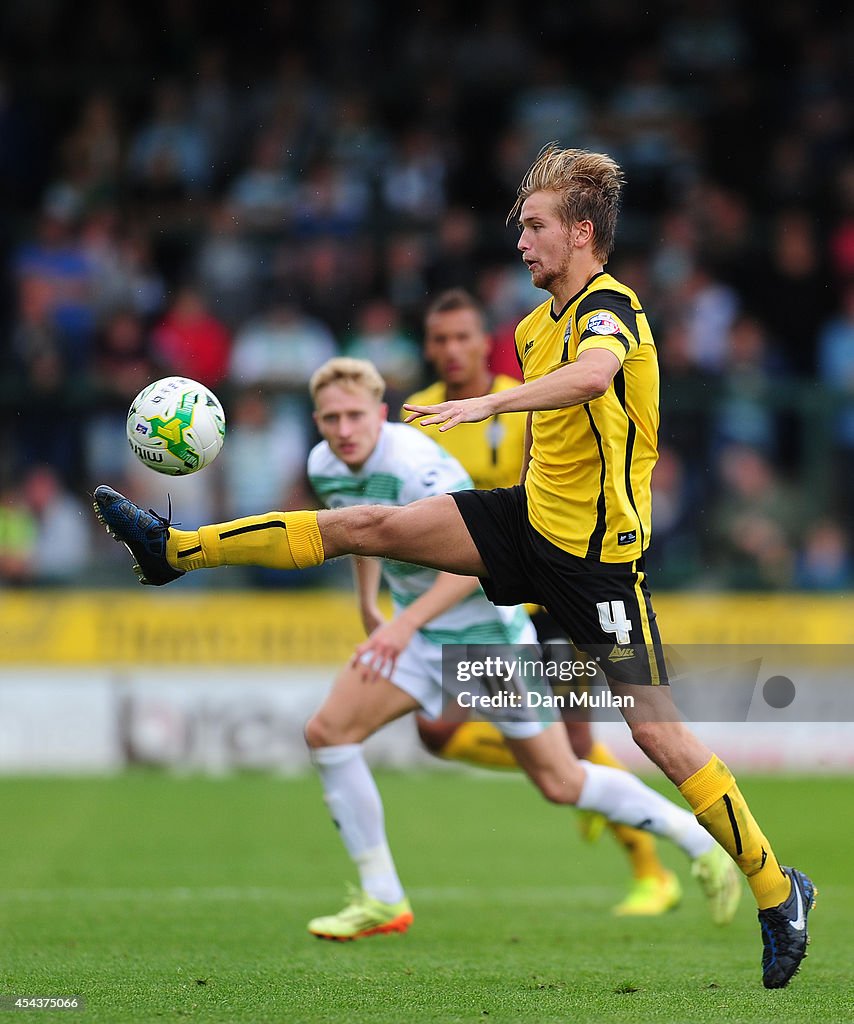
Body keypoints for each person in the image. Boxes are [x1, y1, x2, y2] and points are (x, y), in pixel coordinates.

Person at [93, 146, 814, 987]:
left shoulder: (610, 309)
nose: (522, 243)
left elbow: (595, 377)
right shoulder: (535, 324)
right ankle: (174, 550)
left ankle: (775, 888)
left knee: (653, 733)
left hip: (599, 566)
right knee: (368, 522)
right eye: (520, 228)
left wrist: (489, 400)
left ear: (583, 234)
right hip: (526, 524)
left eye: (537, 227)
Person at [405, 286, 681, 917]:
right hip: (473, 598)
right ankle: (568, 777)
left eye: (462, 338)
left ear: (482, 343)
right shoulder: (416, 415)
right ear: (429, 347)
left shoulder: (525, 396)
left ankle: (651, 872)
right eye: (439, 339)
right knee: (437, 730)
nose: (451, 350)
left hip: (548, 588)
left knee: (579, 742)